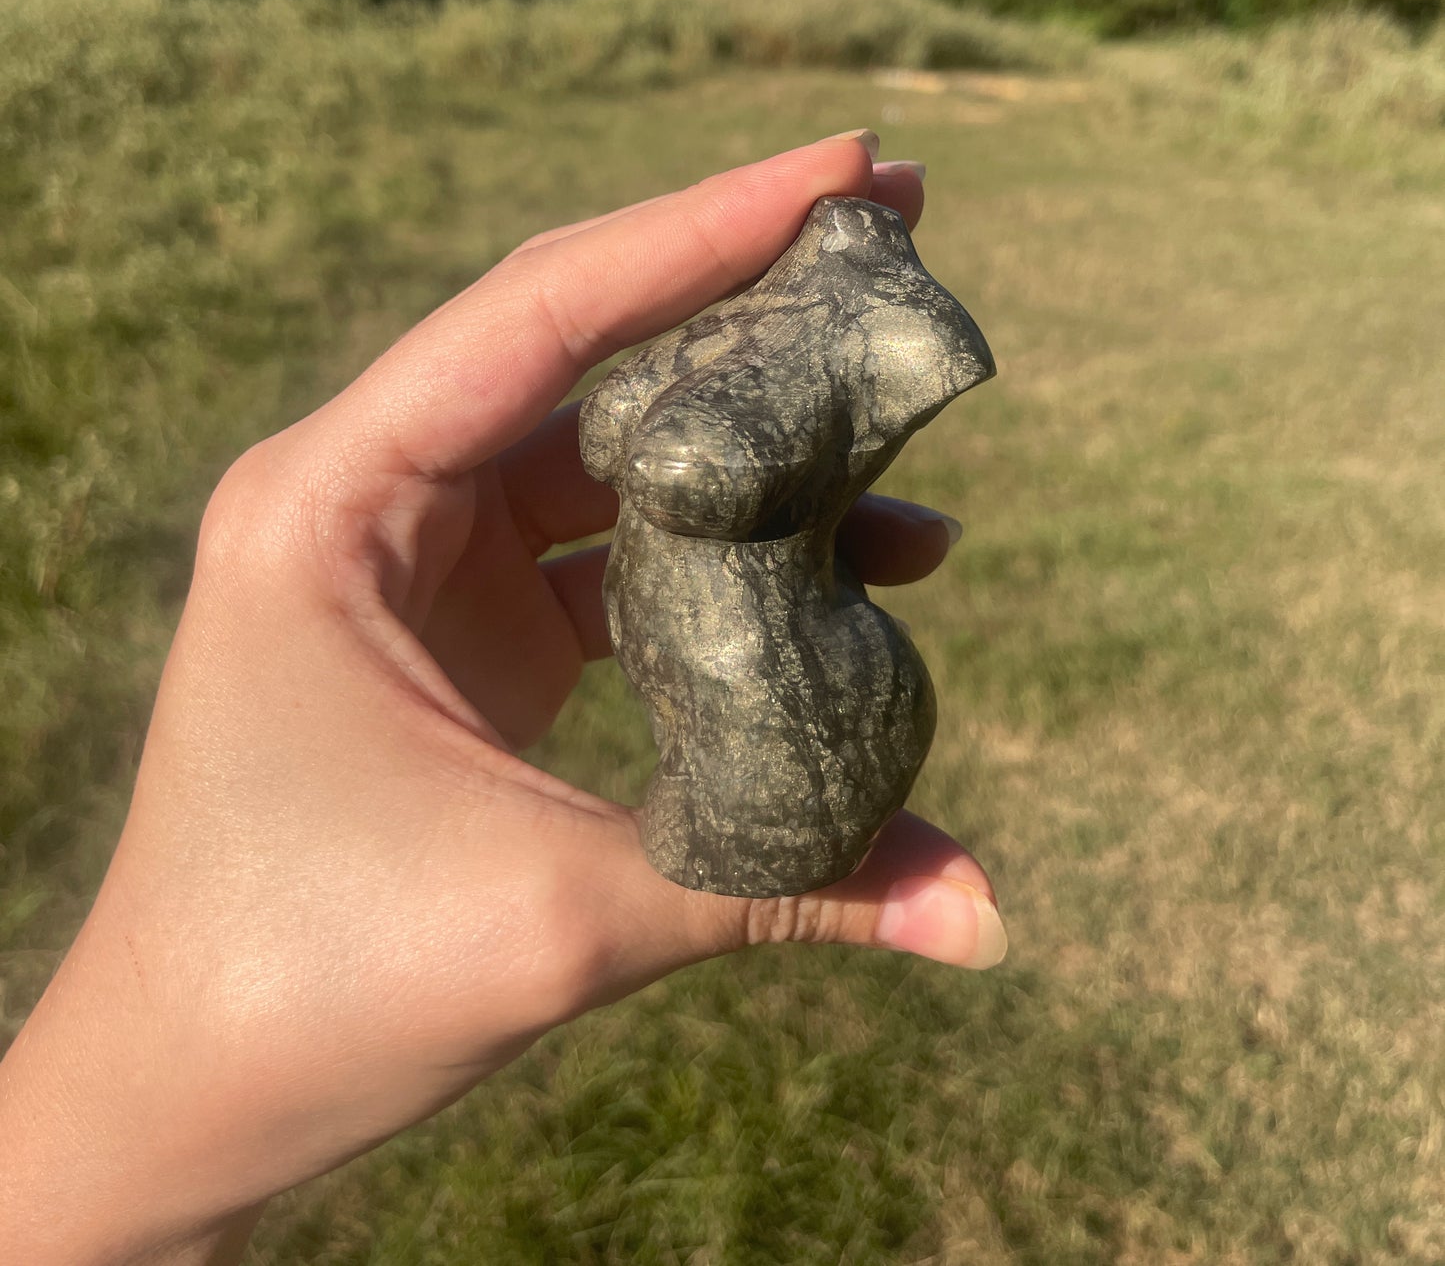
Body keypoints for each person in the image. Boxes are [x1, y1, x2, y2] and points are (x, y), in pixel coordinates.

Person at [0, 131, 1006, 1266]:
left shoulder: (899, 329)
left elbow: (690, 465)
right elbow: (648, 439)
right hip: (721, 682)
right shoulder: (781, 294)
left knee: (737, 845)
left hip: (792, 703)